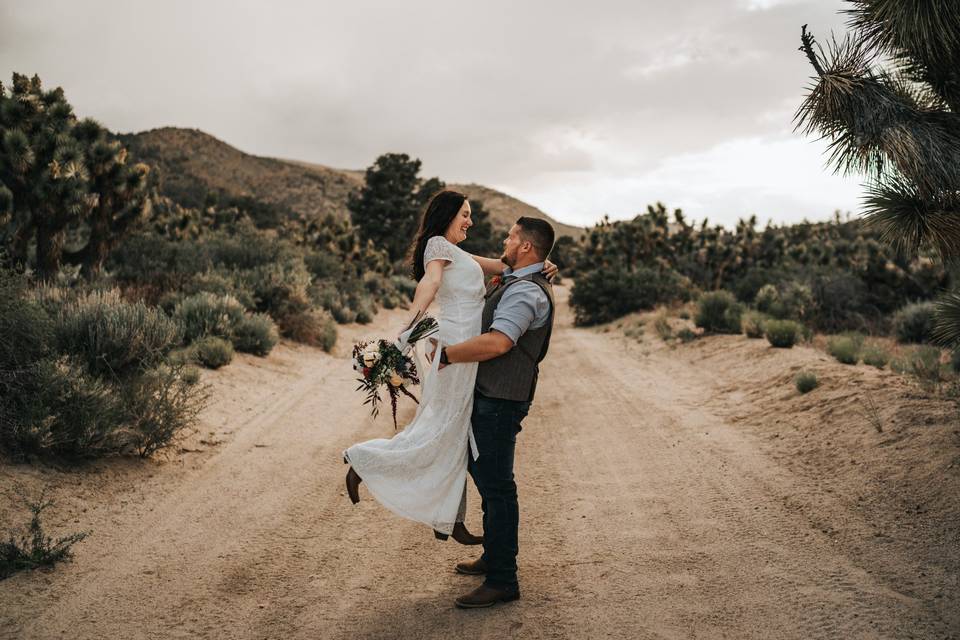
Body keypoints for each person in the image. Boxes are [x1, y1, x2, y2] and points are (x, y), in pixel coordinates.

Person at [341, 190, 556, 547]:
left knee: (457, 432)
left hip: (466, 348)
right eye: (465, 214)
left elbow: (506, 265)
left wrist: (546, 264)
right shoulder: (437, 247)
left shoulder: (456, 251)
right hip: (455, 345)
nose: (470, 221)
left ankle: (449, 516)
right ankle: (364, 461)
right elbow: (432, 281)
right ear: (447, 216)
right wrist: (412, 320)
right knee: (442, 425)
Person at [427, 216, 556, 609]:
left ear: (526, 248)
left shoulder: (524, 293)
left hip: (500, 400)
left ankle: (503, 578)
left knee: (498, 487)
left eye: (512, 236)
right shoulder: (519, 278)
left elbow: (499, 343)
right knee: (488, 478)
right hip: (493, 395)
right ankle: (493, 558)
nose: (506, 238)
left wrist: (446, 356)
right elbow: (483, 264)